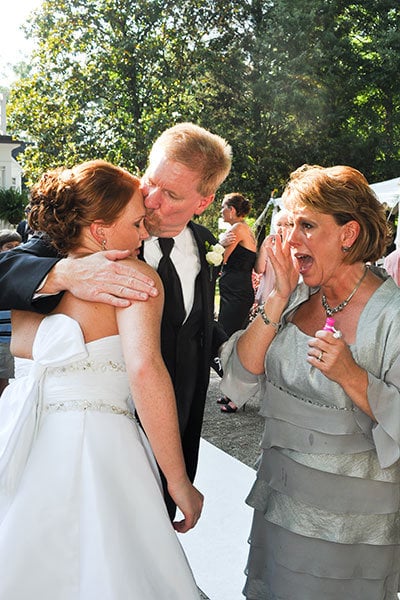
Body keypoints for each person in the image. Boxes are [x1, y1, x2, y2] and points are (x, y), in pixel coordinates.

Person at [0, 122, 232, 519]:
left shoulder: (205, 243)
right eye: (151, 180)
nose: (153, 200)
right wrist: (62, 275)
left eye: (172, 194)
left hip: (174, 439)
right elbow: (7, 267)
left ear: (204, 201)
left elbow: (193, 328)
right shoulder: (98, 215)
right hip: (92, 441)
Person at [0, 160, 203, 599]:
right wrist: (178, 480)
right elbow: (145, 371)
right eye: (135, 223)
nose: (145, 233)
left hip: (23, 441)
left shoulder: (31, 291)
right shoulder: (133, 278)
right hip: (101, 448)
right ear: (100, 230)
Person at [219, 164, 400, 599]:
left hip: (351, 526)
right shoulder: (296, 294)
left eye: (306, 225)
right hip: (281, 503)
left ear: (348, 234)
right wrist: (277, 299)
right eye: (289, 223)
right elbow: (237, 383)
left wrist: (351, 375)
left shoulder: (392, 316)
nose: (291, 238)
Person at [216, 192, 256, 413]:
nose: (221, 211)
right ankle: (231, 392)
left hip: (236, 292)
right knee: (230, 341)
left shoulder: (237, 229)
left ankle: (236, 396)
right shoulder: (244, 229)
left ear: (231, 210)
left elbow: (220, 258)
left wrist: (218, 244)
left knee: (228, 341)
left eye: (223, 207)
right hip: (236, 291)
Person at [0, 229, 22, 395]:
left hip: (10, 337)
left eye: (17, 245)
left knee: (6, 382)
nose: (14, 249)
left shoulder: (20, 269)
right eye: (9, 246)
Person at [253, 209, 292, 303]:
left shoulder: (297, 246)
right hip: (269, 293)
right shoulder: (269, 243)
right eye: (279, 224)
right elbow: (259, 269)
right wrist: (264, 248)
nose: (282, 228)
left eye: (286, 224)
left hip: (290, 294)